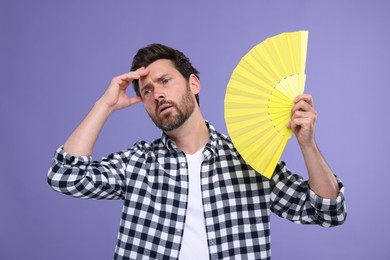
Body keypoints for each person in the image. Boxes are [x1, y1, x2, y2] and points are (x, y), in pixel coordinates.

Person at [47, 43, 346, 260]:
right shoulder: (137, 163)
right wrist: (105, 105)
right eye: (146, 91)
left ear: (193, 83)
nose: (157, 94)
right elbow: (65, 176)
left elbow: (328, 212)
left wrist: (307, 144)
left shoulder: (249, 159)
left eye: (165, 81)